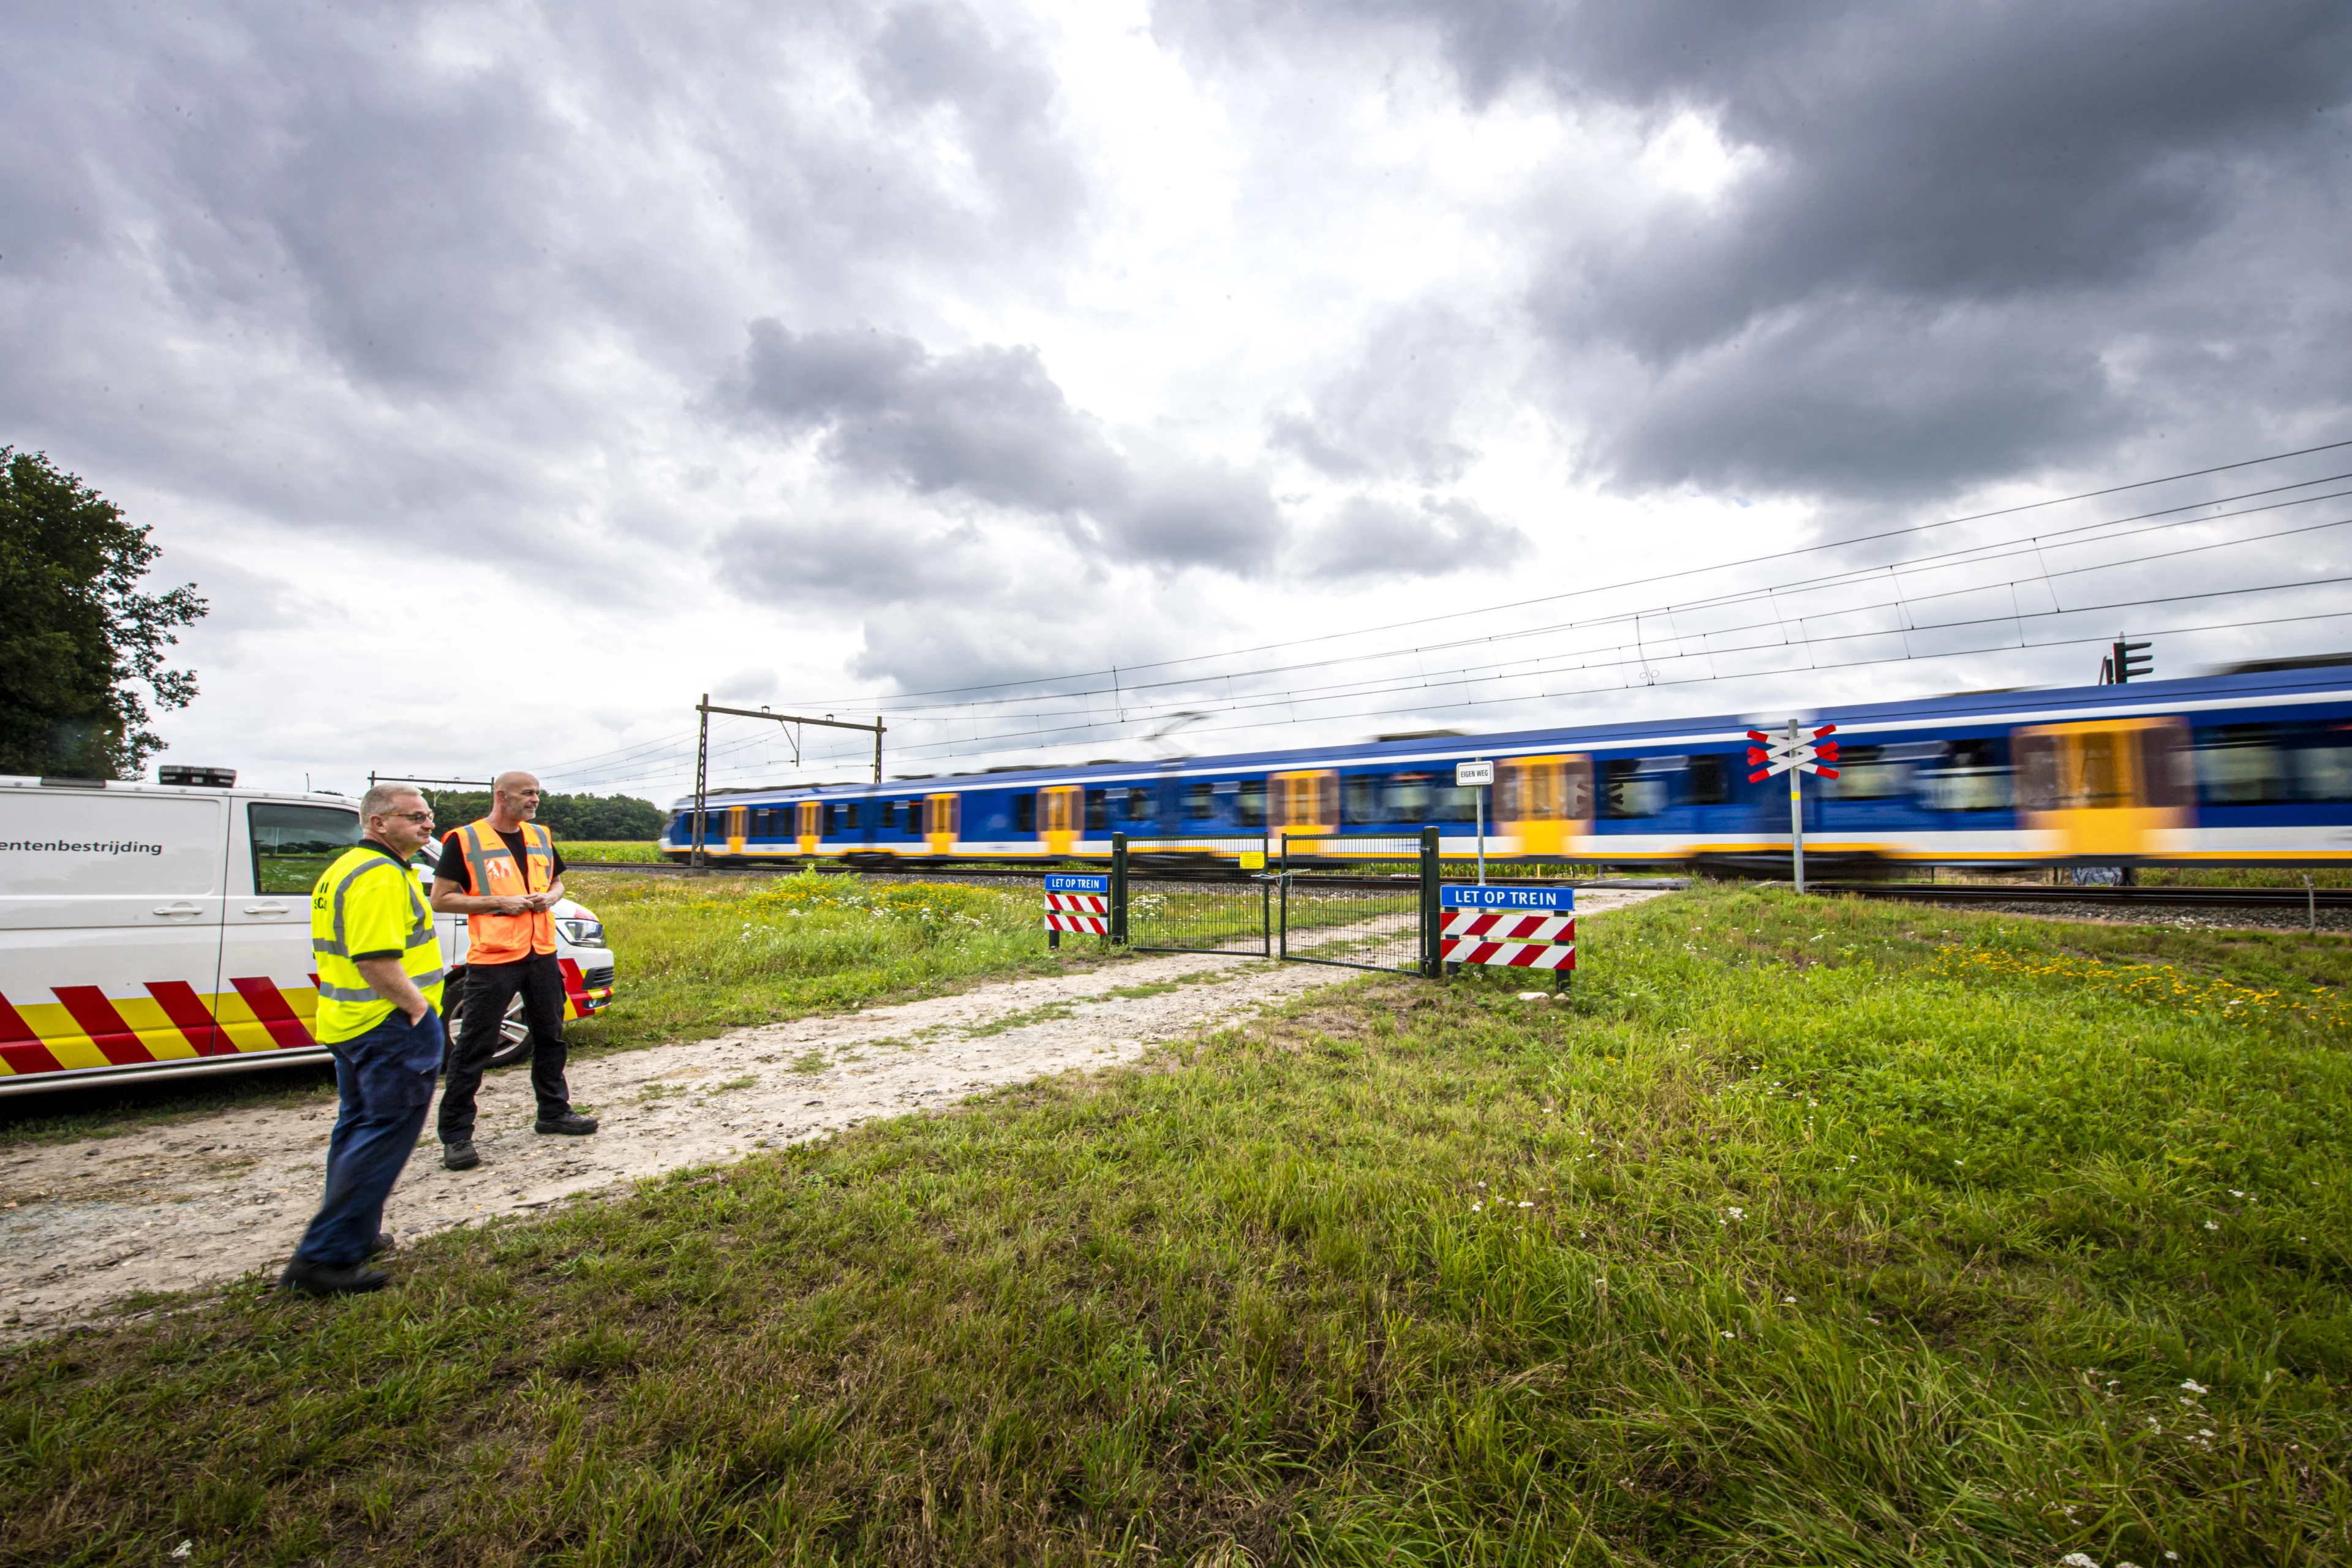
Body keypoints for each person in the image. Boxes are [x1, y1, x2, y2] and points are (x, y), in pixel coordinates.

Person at [281, 784, 445, 1297]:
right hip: (389, 1026)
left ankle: (357, 1232)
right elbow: (375, 960)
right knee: (383, 1135)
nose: (427, 825)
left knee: (356, 1128)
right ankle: (324, 1258)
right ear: (378, 823)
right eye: (414, 817)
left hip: (350, 1023)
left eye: (428, 815)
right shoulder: (378, 877)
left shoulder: (348, 866)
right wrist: (419, 1009)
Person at [430, 770, 597, 1169]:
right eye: (527, 793)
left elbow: (557, 884)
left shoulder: (540, 837)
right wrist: (495, 904)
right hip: (494, 958)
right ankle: (456, 1136)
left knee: (551, 1036)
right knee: (474, 1047)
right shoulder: (464, 840)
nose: (535, 800)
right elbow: (441, 899)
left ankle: (554, 1113)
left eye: (538, 793)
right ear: (502, 796)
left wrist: (549, 897)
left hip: (541, 951)